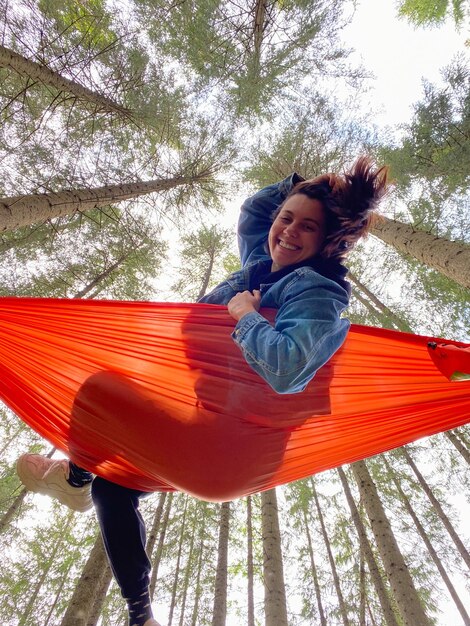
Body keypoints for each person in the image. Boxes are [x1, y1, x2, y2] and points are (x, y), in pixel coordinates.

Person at [16, 157, 388, 626]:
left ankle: (74, 475)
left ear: (327, 241)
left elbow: (288, 369)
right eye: (286, 219)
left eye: (307, 227)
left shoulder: (318, 290)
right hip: (203, 440)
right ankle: (140, 614)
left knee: (97, 389)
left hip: (236, 446)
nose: (288, 231)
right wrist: (307, 186)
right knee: (114, 489)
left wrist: (244, 316)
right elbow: (257, 209)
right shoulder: (259, 265)